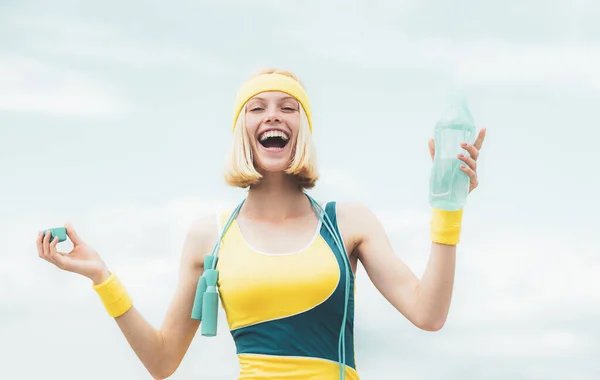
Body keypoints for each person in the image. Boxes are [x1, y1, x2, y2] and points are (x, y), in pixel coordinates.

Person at [36, 68, 486, 380]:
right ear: (242, 130)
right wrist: (102, 277)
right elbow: (162, 360)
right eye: (257, 108)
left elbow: (429, 314)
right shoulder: (210, 236)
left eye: (289, 107)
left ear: (303, 128)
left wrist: (447, 207)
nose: (273, 115)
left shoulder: (348, 223)